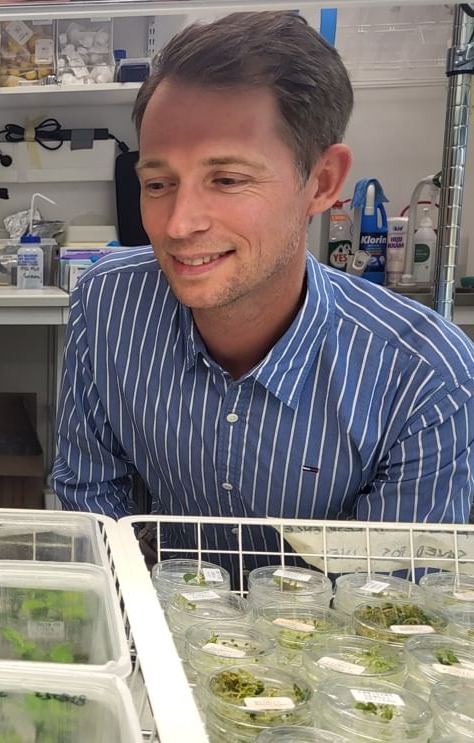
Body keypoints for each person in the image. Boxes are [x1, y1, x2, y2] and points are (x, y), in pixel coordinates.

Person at [53, 12, 474, 543]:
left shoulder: (423, 374)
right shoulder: (108, 302)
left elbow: (394, 595)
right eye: (158, 184)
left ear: (321, 183)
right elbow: (91, 498)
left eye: (227, 180)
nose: (179, 225)